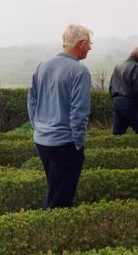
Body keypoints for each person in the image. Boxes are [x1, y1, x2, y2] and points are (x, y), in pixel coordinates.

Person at [28, 24, 92, 209]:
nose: (90, 48)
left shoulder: (43, 65)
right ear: (80, 43)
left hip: (42, 141)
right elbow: (79, 112)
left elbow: (31, 100)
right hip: (64, 144)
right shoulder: (79, 71)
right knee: (60, 202)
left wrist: (38, 127)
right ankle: (49, 234)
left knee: (56, 190)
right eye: (89, 44)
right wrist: (78, 143)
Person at [109, 47, 138, 135]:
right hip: (130, 103)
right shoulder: (137, 67)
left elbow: (111, 87)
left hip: (117, 103)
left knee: (117, 135)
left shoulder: (118, 65)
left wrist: (116, 100)